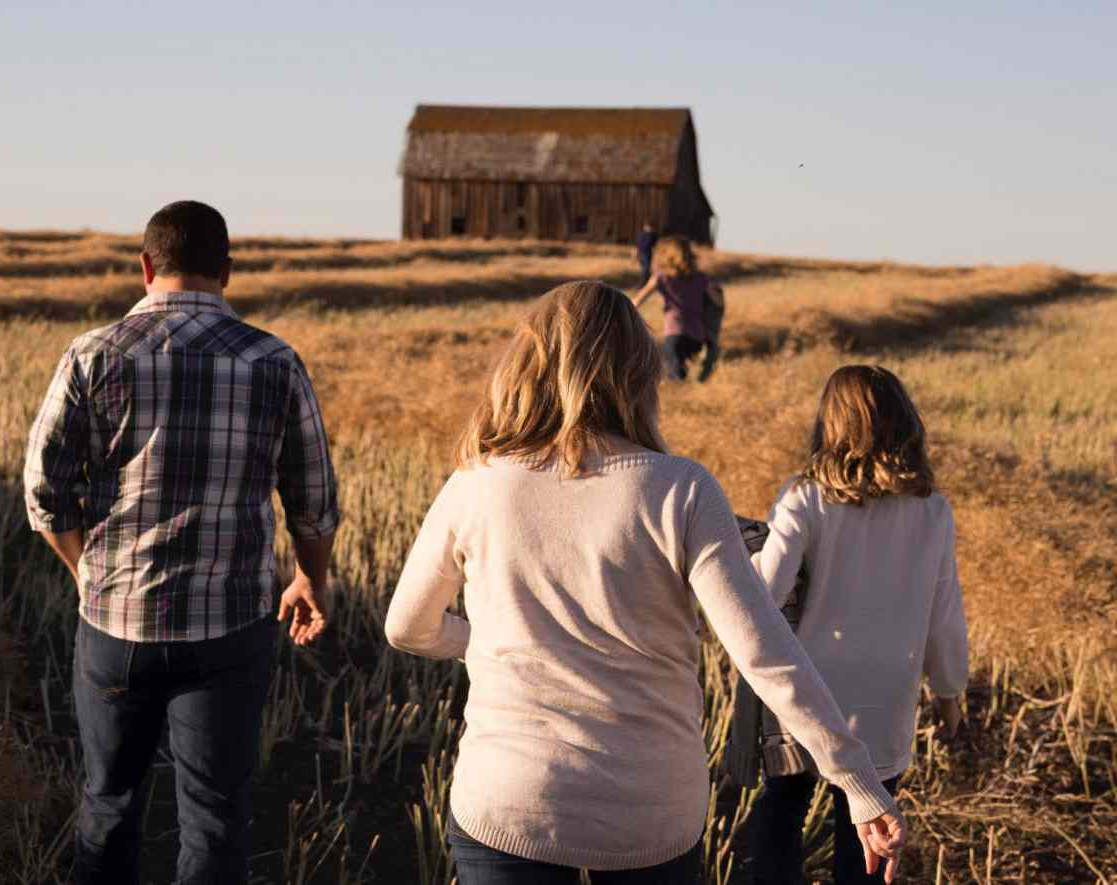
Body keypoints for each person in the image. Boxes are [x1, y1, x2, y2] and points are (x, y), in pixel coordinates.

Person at [384, 281, 906, 885]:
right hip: (650, 812)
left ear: (527, 362)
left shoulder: (474, 483)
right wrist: (857, 782)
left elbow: (406, 628)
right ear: (638, 370)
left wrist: (486, 637)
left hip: (509, 800)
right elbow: (763, 653)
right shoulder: (681, 489)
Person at [23, 200, 340, 885]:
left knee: (108, 806)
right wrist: (310, 577)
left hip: (115, 624)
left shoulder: (91, 353)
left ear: (144, 266)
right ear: (227, 271)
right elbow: (313, 502)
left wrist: (87, 572)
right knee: (217, 818)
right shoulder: (274, 360)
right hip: (229, 629)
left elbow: (43, 494)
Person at [737, 365, 968, 885]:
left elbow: (764, 593)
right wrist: (949, 691)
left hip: (809, 692)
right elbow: (944, 608)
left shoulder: (806, 495)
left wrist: (743, 550)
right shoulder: (932, 509)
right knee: (868, 828)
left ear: (831, 423)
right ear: (905, 422)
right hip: (887, 695)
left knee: (783, 807)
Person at [631, 237, 725, 382]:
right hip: (697, 336)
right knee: (687, 374)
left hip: (674, 333)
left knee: (674, 378)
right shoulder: (702, 279)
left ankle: (684, 396)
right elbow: (719, 302)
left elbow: (636, 301)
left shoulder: (661, 278)